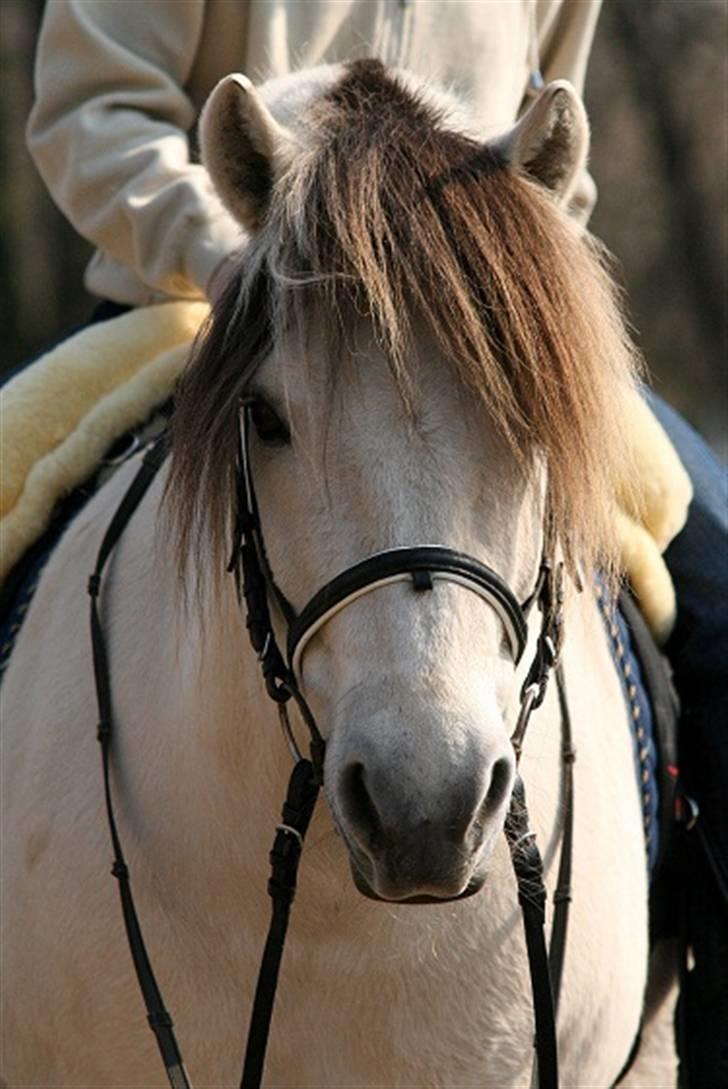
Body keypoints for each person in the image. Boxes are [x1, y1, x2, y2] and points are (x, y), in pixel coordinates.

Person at [24, 2, 728, 1085]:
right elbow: (89, 113)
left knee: (718, 597)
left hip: (473, 329)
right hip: (226, 297)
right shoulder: (239, 265)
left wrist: (513, 279)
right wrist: (242, 257)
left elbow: (555, 145)